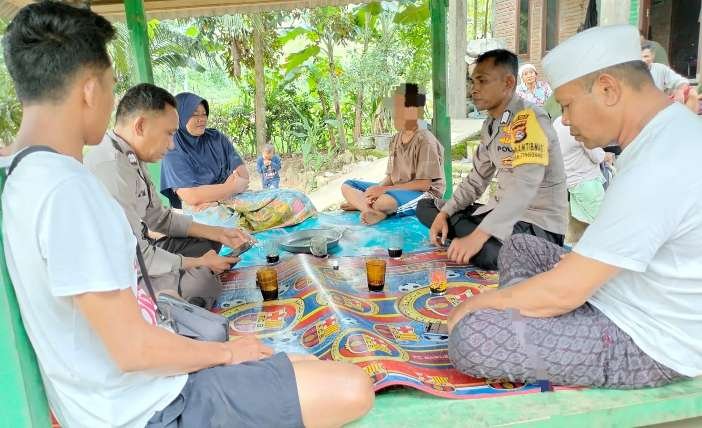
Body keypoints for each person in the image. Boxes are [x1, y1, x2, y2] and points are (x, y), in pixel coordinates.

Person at [0, 3, 374, 427]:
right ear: (89, 89)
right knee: (351, 387)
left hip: (126, 387)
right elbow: (132, 350)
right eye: (109, 86)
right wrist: (226, 353)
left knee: (294, 363)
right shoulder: (68, 189)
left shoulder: (23, 173)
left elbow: (160, 223)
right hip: (149, 407)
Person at [447, 25, 702, 389]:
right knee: (519, 247)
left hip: (644, 339)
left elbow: (565, 291)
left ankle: (537, 326)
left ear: (608, 90)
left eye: (567, 105)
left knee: (473, 336)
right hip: (612, 290)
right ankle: (539, 323)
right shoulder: (665, 132)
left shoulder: (662, 160)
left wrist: (479, 304)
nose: (564, 119)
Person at [85, 83, 252, 309]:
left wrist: (220, 233)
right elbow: (139, 257)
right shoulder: (111, 170)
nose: (172, 144)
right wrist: (199, 262)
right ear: (141, 125)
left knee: (208, 241)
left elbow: (160, 218)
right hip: (124, 274)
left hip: (143, 252)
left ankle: (197, 272)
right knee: (201, 283)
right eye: (169, 134)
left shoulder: (131, 157)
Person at [416, 49, 567, 270]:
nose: (473, 90)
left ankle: (475, 241)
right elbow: (476, 180)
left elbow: (526, 185)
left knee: (489, 253)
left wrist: (479, 235)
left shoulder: (528, 118)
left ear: (508, 83)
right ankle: (467, 236)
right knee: (427, 206)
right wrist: (445, 213)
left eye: (482, 81)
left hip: (535, 225)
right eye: (473, 81)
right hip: (498, 216)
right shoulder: (491, 124)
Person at [341, 83, 445, 225]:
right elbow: (390, 177)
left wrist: (382, 191)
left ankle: (368, 207)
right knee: (347, 185)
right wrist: (372, 193)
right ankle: (370, 208)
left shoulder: (425, 140)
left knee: (383, 202)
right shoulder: (396, 138)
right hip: (397, 190)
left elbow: (424, 185)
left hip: (423, 195)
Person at [160, 92, 250, 209]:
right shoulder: (172, 148)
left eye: (204, 114)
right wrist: (231, 188)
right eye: (194, 115)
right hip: (199, 212)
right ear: (179, 117)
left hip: (226, 202)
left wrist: (213, 195)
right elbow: (191, 196)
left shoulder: (216, 138)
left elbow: (243, 175)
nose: (201, 119)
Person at [553, 116, 606, 225]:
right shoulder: (579, 127)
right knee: (601, 224)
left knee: (581, 227)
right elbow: (597, 157)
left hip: (571, 183)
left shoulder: (558, 122)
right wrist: (606, 154)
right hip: (587, 184)